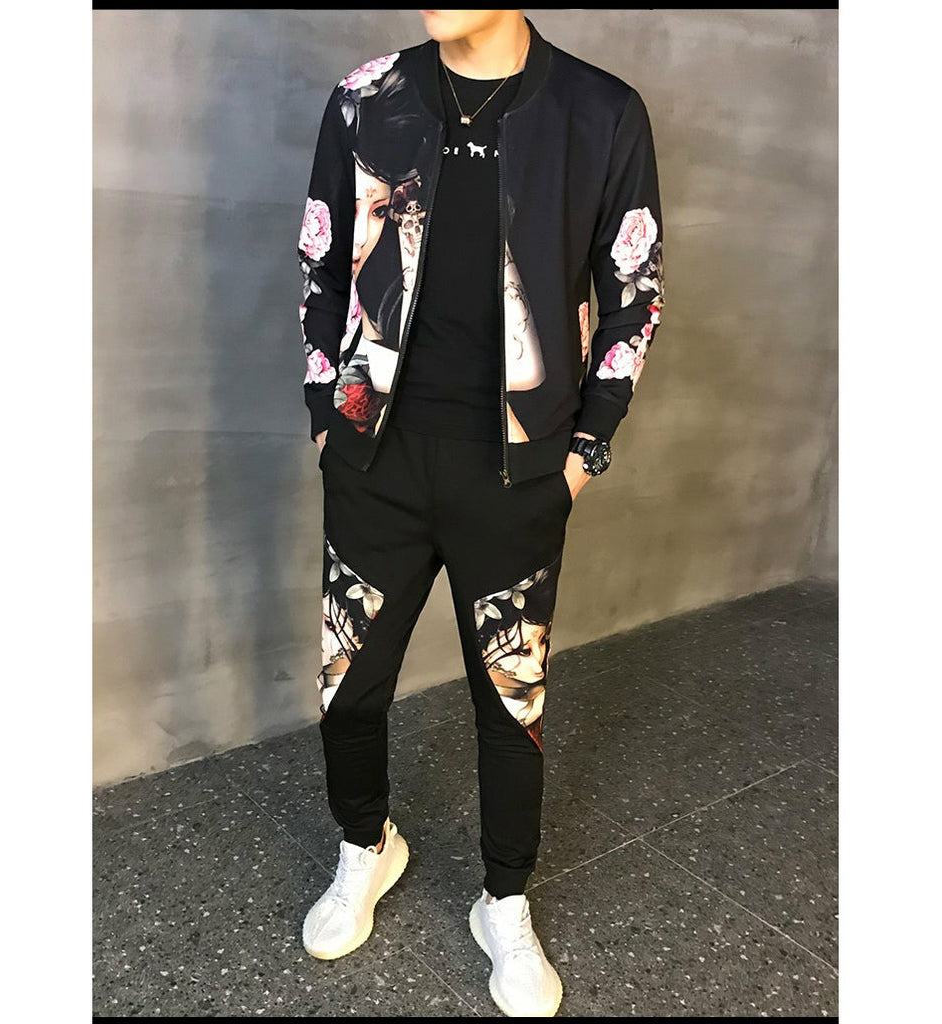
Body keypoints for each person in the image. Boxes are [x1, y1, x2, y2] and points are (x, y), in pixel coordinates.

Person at [297, 10, 663, 1017]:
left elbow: (633, 293)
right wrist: (326, 416)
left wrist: (584, 451)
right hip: (375, 454)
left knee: (511, 704)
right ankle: (365, 844)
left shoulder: (599, 113)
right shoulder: (367, 98)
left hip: (516, 474)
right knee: (348, 691)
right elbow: (319, 259)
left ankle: (504, 901)